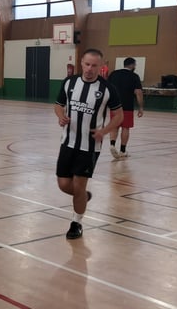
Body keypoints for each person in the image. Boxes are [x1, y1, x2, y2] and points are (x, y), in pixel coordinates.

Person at [54, 48, 122, 239]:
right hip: (67, 142)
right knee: (63, 184)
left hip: (89, 147)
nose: (90, 69)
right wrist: (61, 116)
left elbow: (119, 116)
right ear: (81, 63)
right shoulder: (70, 82)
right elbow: (58, 105)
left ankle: (76, 223)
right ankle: (83, 196)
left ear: (101, 67)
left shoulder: (108, 89)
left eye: (94, 65)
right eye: (87, 64)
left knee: (78, 186)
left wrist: (104, 131)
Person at [107, 57, 144, 159]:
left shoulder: (113, 74)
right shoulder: (134, 76)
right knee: (125, 127)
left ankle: (112, 144)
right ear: (132, 65)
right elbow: (138, 92)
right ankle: (122, 150)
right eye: (135, 65)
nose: (135, 67)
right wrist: (141, 107)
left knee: (114, 126)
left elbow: (106, 88)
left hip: (114, 105)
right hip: (127, 106)